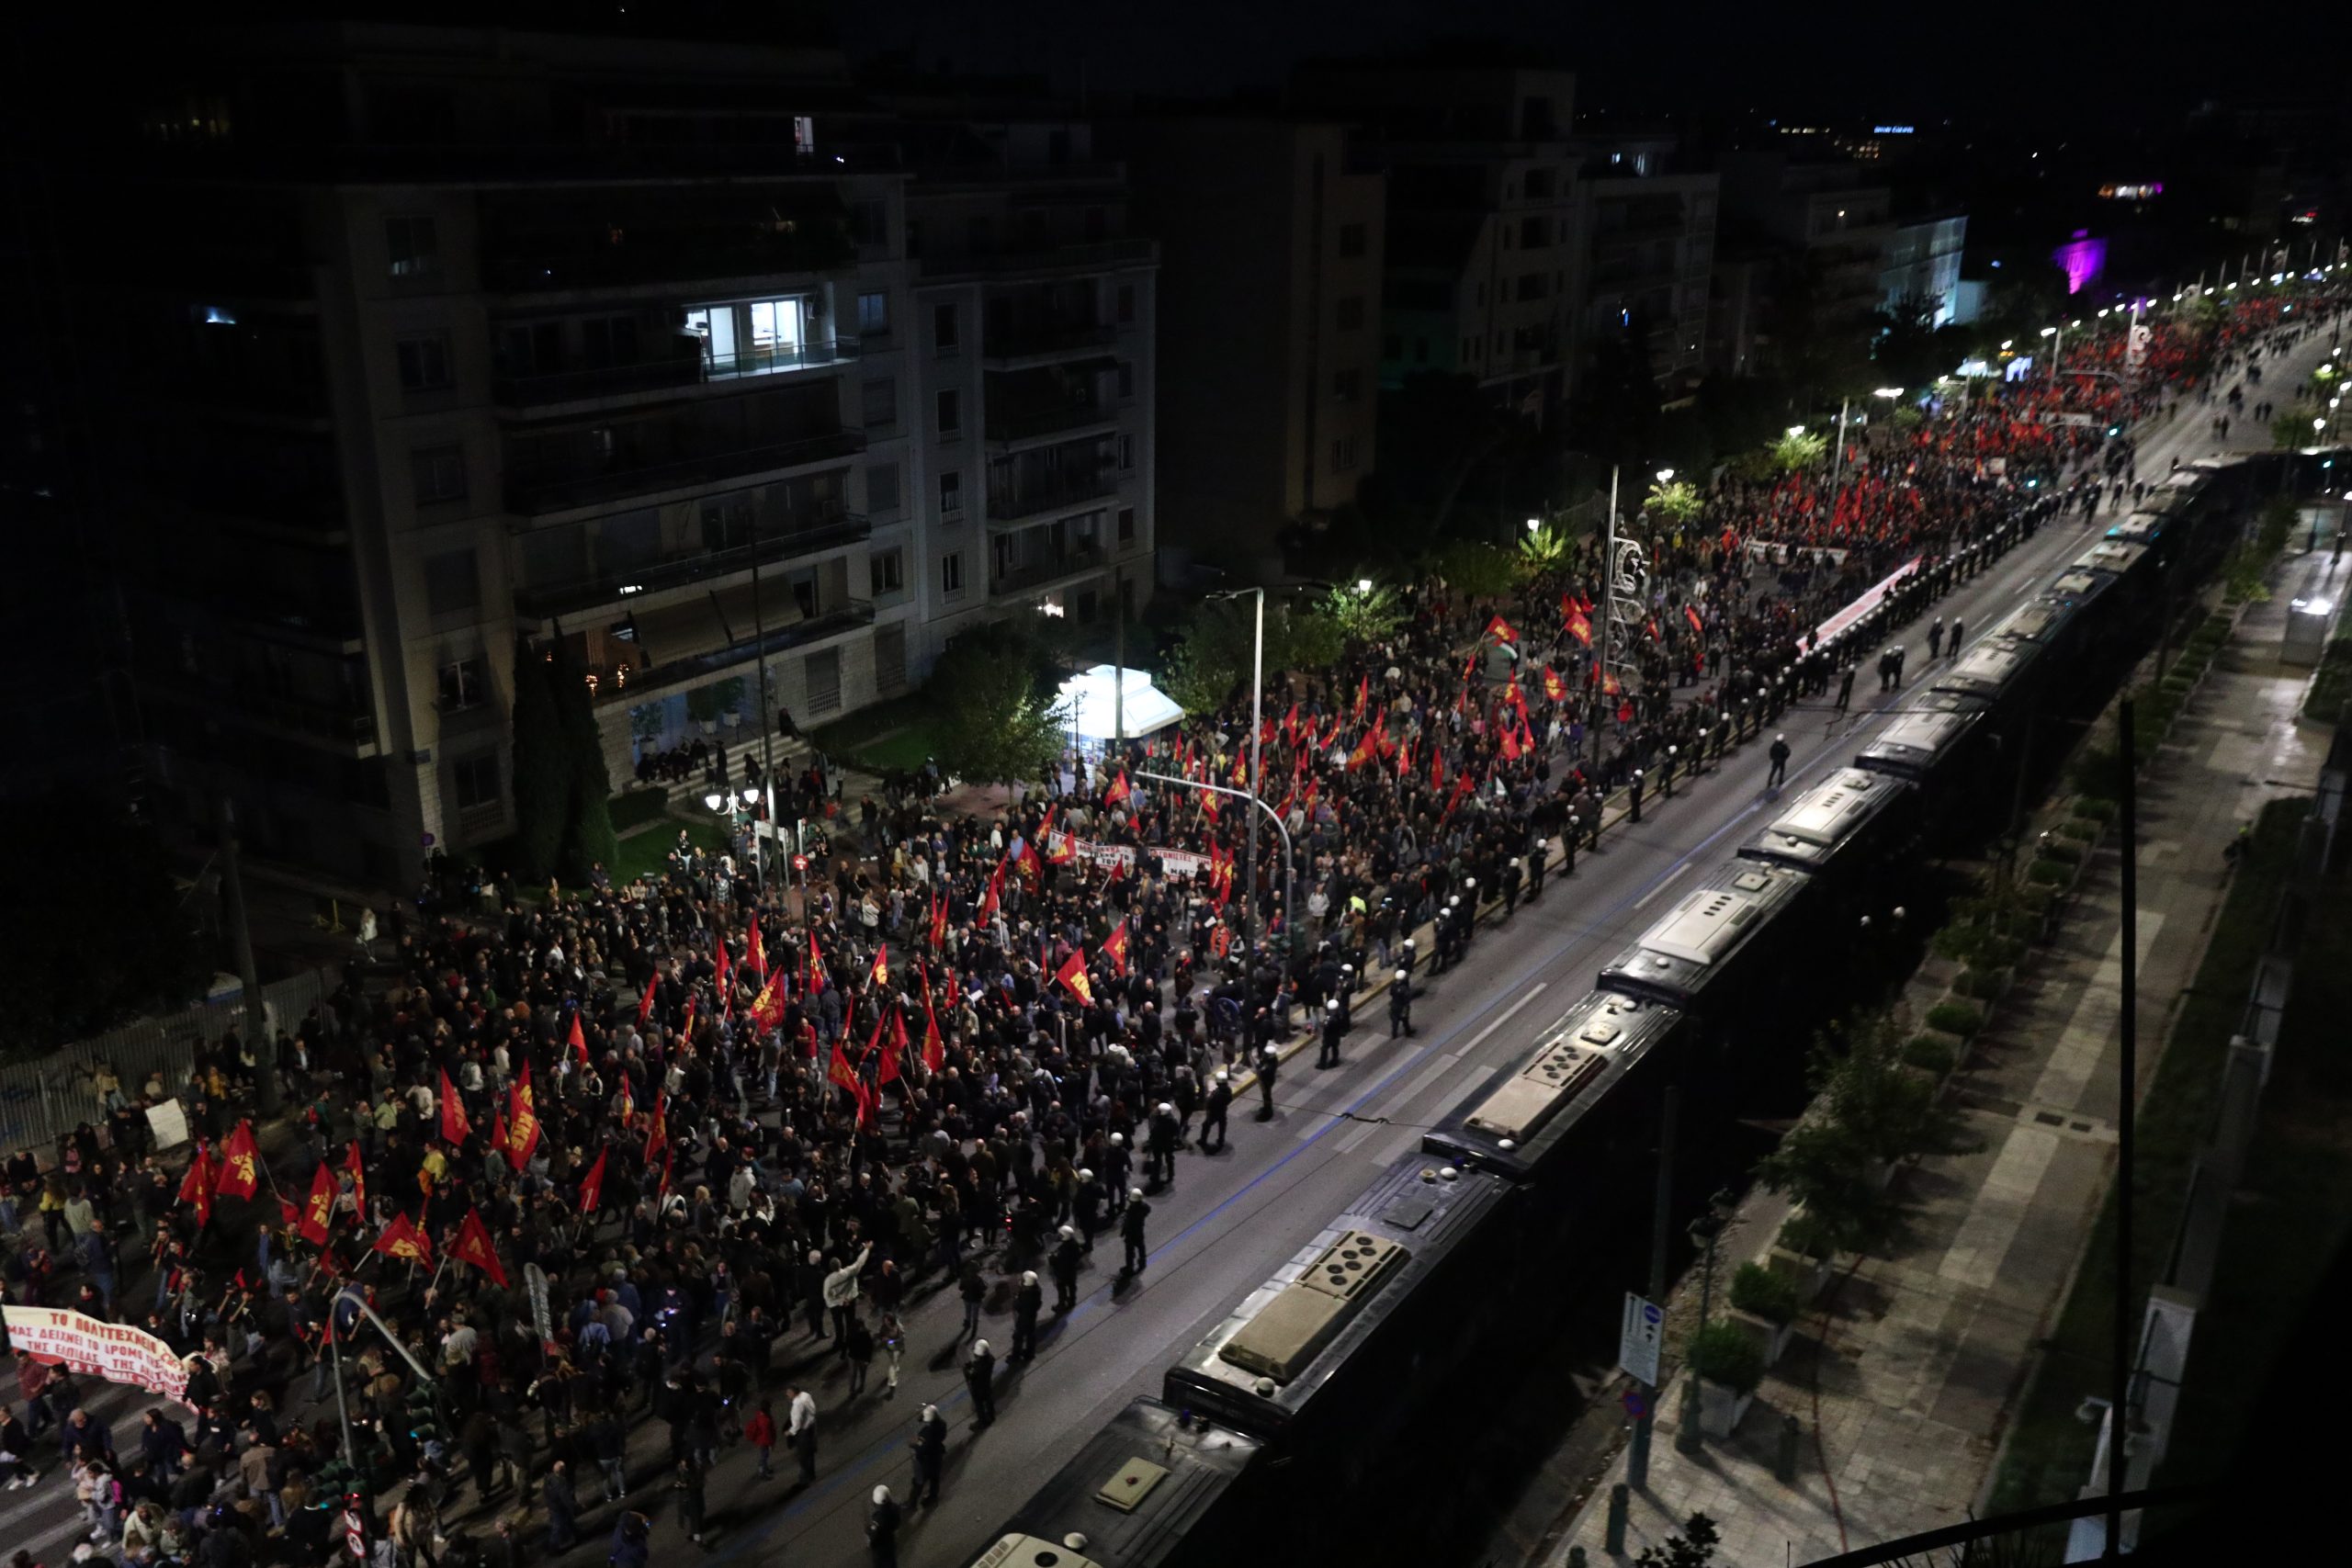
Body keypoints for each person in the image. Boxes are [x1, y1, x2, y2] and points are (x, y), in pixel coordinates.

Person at [910, 1405, 948, 1507]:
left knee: (919, 1482)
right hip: (937, 1456)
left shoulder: (926, 1434)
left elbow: (921, 1449)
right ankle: (932, 1496)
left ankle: (912, 1503)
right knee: (935, 1479)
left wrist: (914, 1445)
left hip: (926, 1461)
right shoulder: (942, 1424)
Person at [786, 1383, 818, 1485]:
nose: (787, 1395)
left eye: (788, 1393)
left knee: (803, 1456)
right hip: (811, 1427)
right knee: (811, 1453)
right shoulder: (806, 1395)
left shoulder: (797, 1405)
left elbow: (797, 1424)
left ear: (793, 1393)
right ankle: (812, 1474)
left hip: (803, 1432)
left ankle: (805, 1479)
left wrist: (789, 1432)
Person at [964, 1340, 998, 1429]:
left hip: (978, 1389)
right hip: (986, 1385)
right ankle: (991, 1415)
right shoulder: (990, 1359)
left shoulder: (978, 1367)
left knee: (979, 1406)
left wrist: (967, 1369)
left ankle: (982, 1422)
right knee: (988, 1400)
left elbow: (971, 1375)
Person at [672, 1457, 706, 1545]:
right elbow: (677, 1480)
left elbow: (699, 1484)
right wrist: (678, 1485)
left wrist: (687, 1486)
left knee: (696, 1522)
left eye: (685, 1464)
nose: (684, 1466)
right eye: (682, 1464)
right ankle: (694, 1534)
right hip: (686, 1499)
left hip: (694, 1499)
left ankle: (698, 1539)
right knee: (693, 1520)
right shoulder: (680, 1469)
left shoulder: (695, 1471)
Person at [1010, 1271, 1042, 1362]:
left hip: (1024, 1319)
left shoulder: (1027, 1297)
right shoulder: (1037, 1290)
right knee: (1030, 1335)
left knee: (1018, 1337)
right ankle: (1029, 1354)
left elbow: (1018, 1307)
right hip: (1032, 1318)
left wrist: (1016, 1299)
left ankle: (1015, 1357)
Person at [867, 1484, 903, 1567]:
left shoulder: (877, 1519)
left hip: (881, 1548)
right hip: (890, 1541)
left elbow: (873, 1539)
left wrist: (869, 1532)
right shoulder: (895, 1508)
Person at [1121, 1190, 1151, 1277]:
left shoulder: (1132, 1212)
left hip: (1131, 1233)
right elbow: (1148, 1209)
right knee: (1141, 1246)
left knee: (1129, 1251)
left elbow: (1128, 1223)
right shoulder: (1143, 1207)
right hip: (1139, 1230)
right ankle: (1142, 1261)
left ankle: (1129, 1268)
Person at [745, 1397, 777, 1480]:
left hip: (760, 1439)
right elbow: (767, 1434)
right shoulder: (766, 1420)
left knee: (764, 1455)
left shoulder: (759, 1414)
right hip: (764, 1441)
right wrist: (771, 1444)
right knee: (764, 1456)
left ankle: (765, 1469)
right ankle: (763, 1473)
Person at [1199, 1070, 1230, 1154]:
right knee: (1222, 1126)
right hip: (1222, 1111)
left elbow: (1210, 1104)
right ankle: (1221, 1141)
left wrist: (1209, 1096)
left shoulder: (1217, 1093)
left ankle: (1203, 1141)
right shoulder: (1228, 1090)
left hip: (1214, 1113)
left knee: (1206, 1125)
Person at [1255, 1042, 1279, 1120]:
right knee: (1265, 1096)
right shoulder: (1269, 1061)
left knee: (1267, 1096)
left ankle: (1267, 1112)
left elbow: (1265, 1071)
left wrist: (1260, 1070)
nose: (1264, 1055)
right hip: (1265, 1080)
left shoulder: (1271, 1065)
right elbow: (1262, 1064)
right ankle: (1266, 1108)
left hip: (1268, 1082)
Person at [1389, 970, 1415, 1038]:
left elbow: (1391, 993)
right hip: (1402, 1007)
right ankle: (1408, 1032)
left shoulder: (1393, 985)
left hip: (1394, 1005)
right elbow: (1408, 998)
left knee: (1395, 1021)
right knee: (1405, 1020)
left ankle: (1394, 1034)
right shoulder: (1404, 988)